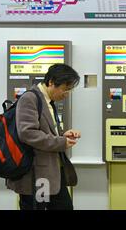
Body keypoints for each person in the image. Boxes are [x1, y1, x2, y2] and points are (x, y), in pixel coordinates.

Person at [6, 64, 81, 210]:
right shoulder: (30, 98)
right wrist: (61, 142)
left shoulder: (47, 101)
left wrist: (62, 135)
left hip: (51, 173)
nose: (67, 94)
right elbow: (28, 133)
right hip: (37, 175)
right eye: (65, 89)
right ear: (52, 82)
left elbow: (44, 131)